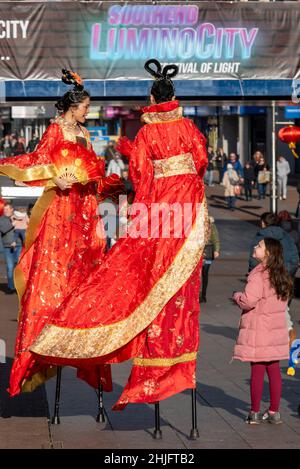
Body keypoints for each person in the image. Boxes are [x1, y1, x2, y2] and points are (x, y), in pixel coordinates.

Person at [30, 59, 209, 411]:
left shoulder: (146, 133)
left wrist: (143, 192)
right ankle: (174, 364)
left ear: (153, 98)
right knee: (179, 288)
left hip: (159, 207)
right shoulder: (189, 127)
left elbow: (141, 174)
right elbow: (200, 160)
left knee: (142, 274)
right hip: (190, 208)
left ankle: (98, 335)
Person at [0, 69, 117, 397]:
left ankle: (81, 342)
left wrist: (98, 184)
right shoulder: (55, 130)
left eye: (88, 107)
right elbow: (40, 161)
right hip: (62, 206)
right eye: (84, 107)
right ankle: (43, 343)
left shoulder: (85, 132)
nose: (87, 112)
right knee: (51, 273)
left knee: (86, 274)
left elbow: (91, 166)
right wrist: (56, 178)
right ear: (72, 106)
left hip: (84, 207)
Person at [233, 238, 293, 424]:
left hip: (259, 329)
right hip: (275, 329)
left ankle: (254, 412)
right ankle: (274, 411)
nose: (255, 247)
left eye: (259, 246)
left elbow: (249, 300)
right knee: (273, 369)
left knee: (257, 370)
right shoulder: (281, 274)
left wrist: (237, 296)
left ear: (267, 253)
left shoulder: (258, 274)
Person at [0, 203, 22, 294]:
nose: (6, 211)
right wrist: (13, 223)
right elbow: (4, 229)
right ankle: (10, 287)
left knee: (19, 267)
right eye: (4, 209)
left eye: (7, 209)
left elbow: (23, 229)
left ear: (12, 209)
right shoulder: (1, 219)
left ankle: (18, 287)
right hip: (7, 247)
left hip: (19, 245)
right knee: (10, 267)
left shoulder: (19, 217)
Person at [200, 216, 220, 303]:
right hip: (197, 251)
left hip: (207, 251)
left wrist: (216, 250)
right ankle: (198, 294)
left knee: (204, 273)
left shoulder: (210, 224)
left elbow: (215, 239)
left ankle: (203, 295)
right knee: (198, 274)